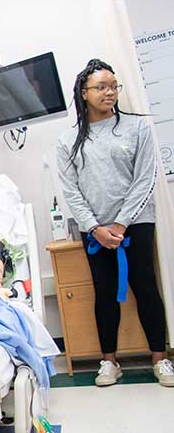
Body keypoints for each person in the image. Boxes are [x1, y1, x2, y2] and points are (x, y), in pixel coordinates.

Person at [57, 58, 172, 388]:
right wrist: (95, 228)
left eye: (114, 86)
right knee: (104, 292)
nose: (110, 92)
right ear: (84, 92)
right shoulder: (69, 141)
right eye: (101, 87)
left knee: (145, 287)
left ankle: (160, 359)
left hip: (135, 223)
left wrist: (120, 225)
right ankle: (109, 362)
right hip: (94, 229)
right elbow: (71, 191)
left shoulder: (137, 128)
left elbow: (145, 178)